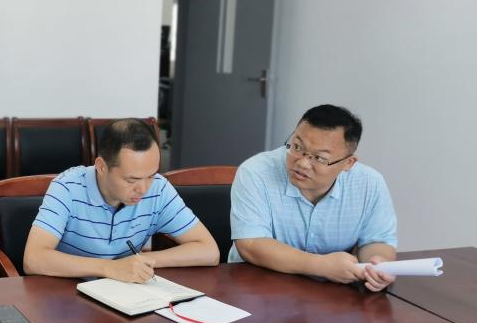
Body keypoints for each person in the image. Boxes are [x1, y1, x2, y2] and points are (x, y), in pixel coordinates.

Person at [23, 118, 218, 281]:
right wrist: (109, 267)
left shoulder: (158, 188)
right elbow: (33, 259)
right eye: (131, 180)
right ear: (101, 166)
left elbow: (209, 251)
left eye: (150, 175)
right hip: (66, 293)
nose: (143, 189)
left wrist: (140, 262)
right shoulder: (67, 187)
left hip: (122, 293)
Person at [229, 104, 397, 292]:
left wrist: (377, 265)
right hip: (257, 287)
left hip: (332, 295)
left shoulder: (369, 183)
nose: (302, 163)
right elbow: (251, 244)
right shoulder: (256, 172)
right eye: (297, 147)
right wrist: (321, 265)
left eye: (319, 158)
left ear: (348, 163)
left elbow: (377, 241)